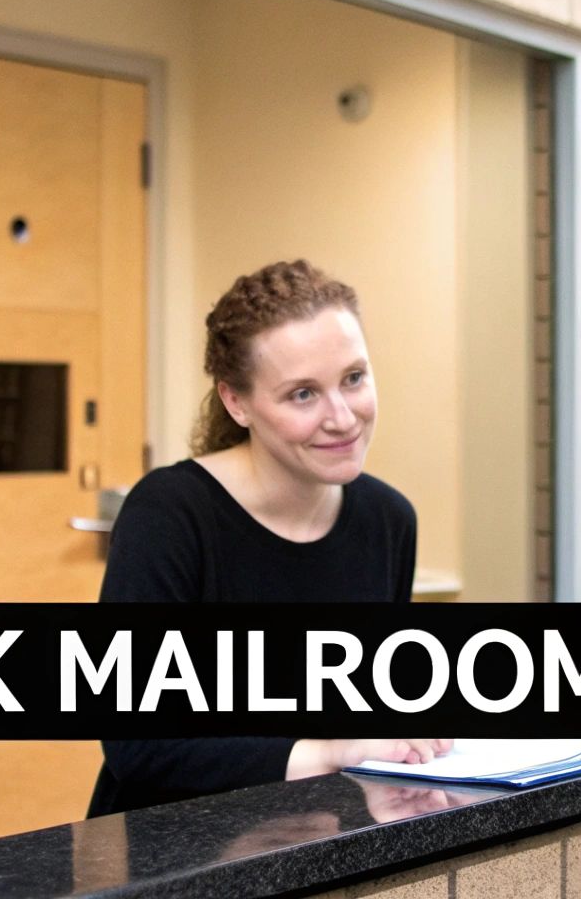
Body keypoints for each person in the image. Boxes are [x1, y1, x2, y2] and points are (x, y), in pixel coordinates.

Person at [87, 259, 449, 816]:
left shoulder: (388, 519)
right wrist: (328, 751)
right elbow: (140, 746)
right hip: (177, 850)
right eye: (303, 394)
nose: (342, 418)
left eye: (353, 378)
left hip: (325, 831)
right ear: (236, 401)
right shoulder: (170, 515)